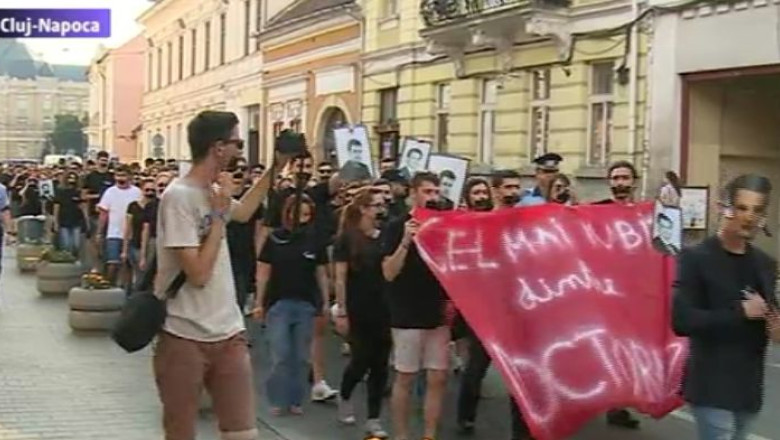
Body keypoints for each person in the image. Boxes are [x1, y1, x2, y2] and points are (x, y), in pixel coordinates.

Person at [154, 110, 281, 440]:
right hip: (183, 334)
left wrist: (275, 168)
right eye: (237, 143)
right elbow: (197, 273)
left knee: (243, 432)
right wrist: (219, 216)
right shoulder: (177, 197)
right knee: (180, 432)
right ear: (218, 147)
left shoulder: (214, 191)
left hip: (229, 333)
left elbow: (246, 211)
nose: (241, 151)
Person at [672, 173, 779, 440]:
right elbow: (681, 320)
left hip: (748, 389)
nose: (749, 217)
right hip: (711, 385)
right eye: (742, 208)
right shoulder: (696, 258)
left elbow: (772, 317)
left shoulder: (764, 263)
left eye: (757, 210)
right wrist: (739, 312)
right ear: (724, 208)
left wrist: (776, 328)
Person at [382, 171, 450, 440]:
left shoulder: (443, 225)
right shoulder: (396, 225)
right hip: (406, 312)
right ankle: (402, 434)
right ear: (413, 193)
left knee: (438, 377)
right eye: (427, 192)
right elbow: (388, 271)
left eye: (436, 192)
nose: (433, 197)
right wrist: (406, 241)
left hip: (437, 311)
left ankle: (429, 435)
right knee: (406, 377)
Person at [253, 193, 330, 416]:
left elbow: (321, 272)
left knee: (301, 356)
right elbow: (264, 272)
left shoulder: (314, 240)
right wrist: (259, 302)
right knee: (281, 354)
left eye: (307, 214)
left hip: (306, 303)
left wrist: (324, 301)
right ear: (287, 214)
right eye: (298, 214)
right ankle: (278, 399)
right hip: (279, 303)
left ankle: (296, 399)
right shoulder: (275, 238)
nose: (302, 218)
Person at [333, 187, 391, 438]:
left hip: (385, 307)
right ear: (364, 209)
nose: (381, 208)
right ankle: (345, 395)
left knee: (380, 364)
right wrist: (342, 310)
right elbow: (340, 277)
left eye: (383, 204)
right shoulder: (348, 238)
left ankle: (373, 417)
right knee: (360, 361)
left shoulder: (385, 236)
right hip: (359, 307)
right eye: (376, 205)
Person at [96, 165, 142, 285]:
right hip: (113, 233)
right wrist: (100, 232)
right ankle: (109, 286)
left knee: (128, 265)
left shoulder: (137, 192)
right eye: (118, 175)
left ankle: (126, 291)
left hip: (131, 234)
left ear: (130, 177)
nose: (121, 178)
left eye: (124, 175)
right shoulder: (110, 192)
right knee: (112, 263)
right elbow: (103, 213)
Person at [52, 172, 85, 257]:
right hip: (63, 220)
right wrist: (55, 222)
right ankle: (69, 259)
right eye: (70, 178)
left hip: (76, 220)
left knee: (76, 245)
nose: (72, 180)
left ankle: (74, 257)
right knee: (66, 244)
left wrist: (85, 220)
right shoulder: (60, 191)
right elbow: (56, 206)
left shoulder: (78, 191)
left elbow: (82, 206)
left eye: (74, 178)